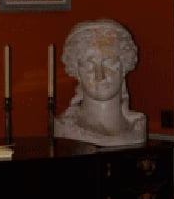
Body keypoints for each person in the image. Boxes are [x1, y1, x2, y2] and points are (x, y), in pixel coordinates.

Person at [54, 19, 147, 147]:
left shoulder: (136, 126)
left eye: (109, 61)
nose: (100, 75)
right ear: (76, 71)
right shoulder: (66, 127)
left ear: (124, 66)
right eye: (89, 64)